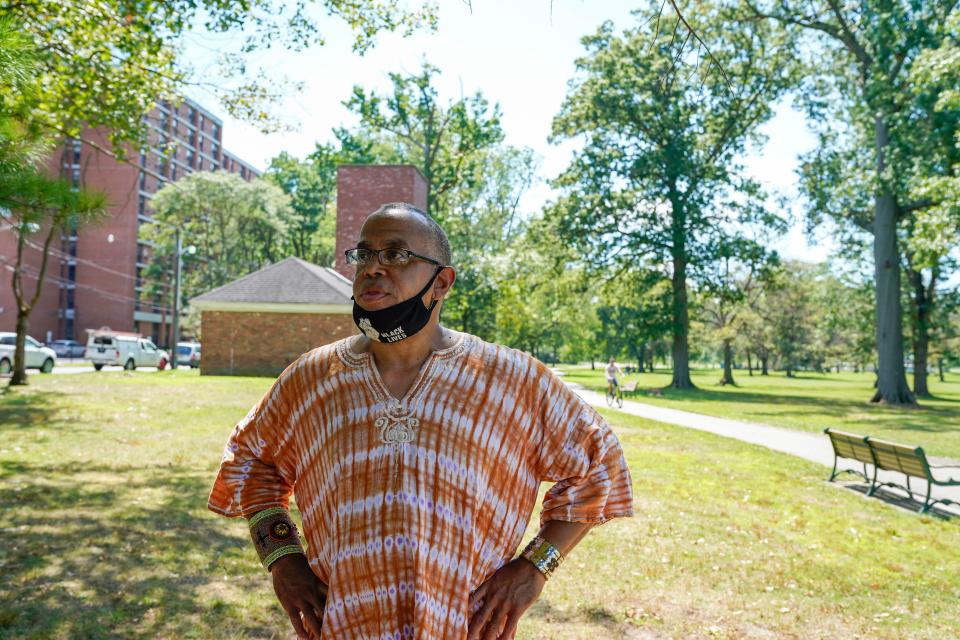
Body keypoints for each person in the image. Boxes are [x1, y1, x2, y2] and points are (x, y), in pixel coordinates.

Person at [208, 202, 634, 640]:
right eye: (364, 254)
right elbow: (249, 460)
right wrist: (284, 561)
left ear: (441, 282)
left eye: (396, 254)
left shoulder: (509, 379)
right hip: (342, 626)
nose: (373, 268)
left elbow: (600, 463)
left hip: (465, 627)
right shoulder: (313, 378)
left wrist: (534, 568)